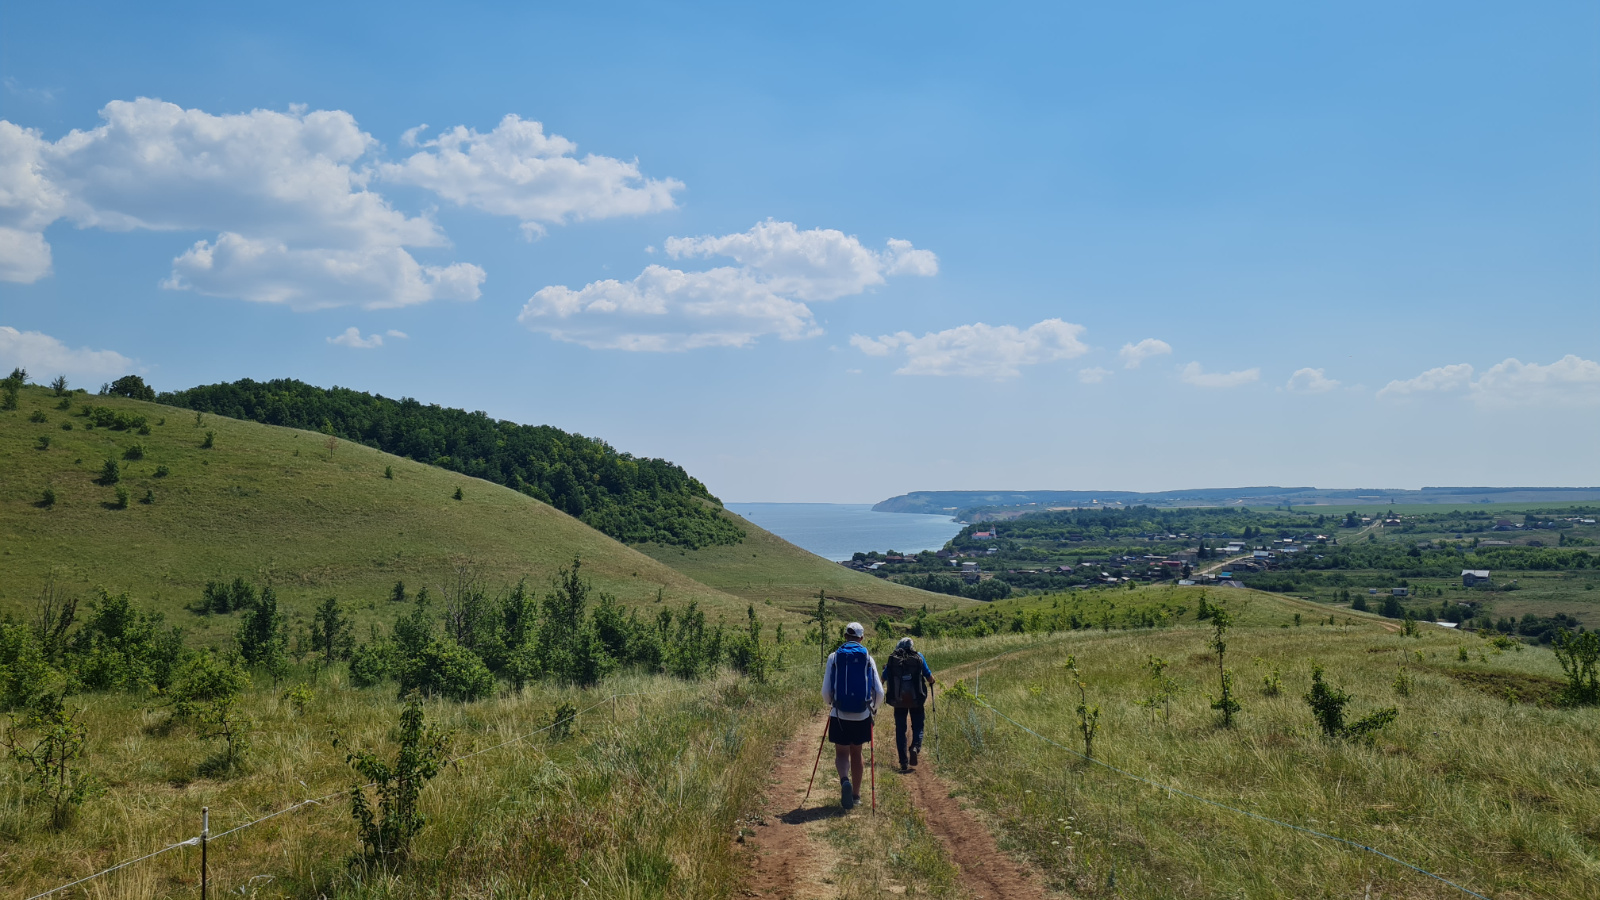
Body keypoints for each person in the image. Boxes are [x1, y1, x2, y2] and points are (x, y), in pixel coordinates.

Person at [821, 622, 884, 810]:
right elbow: (879, 692)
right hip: (861, 715)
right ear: (861, 638)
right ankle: (856, 796)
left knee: (841, 753)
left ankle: (844, 780)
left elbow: (825, 691)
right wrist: (873, 709)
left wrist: (832, 705)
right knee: (857, 753)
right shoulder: (867, 658)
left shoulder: (834, 657)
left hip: (839, 714)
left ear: (845, 636)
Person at [881, 637, 935, 772]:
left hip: (898, 700)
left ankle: (903, 762)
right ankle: (915, 747)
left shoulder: (893, 659)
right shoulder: (918, 657)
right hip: (916, 699)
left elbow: (882, 678)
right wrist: (932, 682)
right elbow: (929, 677)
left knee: (900, 729)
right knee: (918, 725)